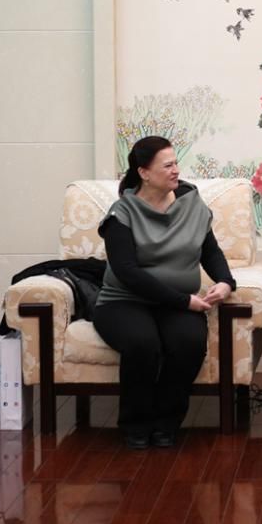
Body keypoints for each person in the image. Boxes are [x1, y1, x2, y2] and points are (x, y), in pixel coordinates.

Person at [92, 136, 236, 449]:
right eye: (167, 165)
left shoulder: (191, 203)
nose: (176, 170)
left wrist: (226, 281)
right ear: (144, 173)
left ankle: (166, 423)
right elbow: (128, 273)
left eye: (175, 163)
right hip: (124, 302)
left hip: (177, 304)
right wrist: (184, 301)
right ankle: (135, 424)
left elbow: (210, 251)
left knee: (188, 343)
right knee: (142, 344)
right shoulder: (122, 213)